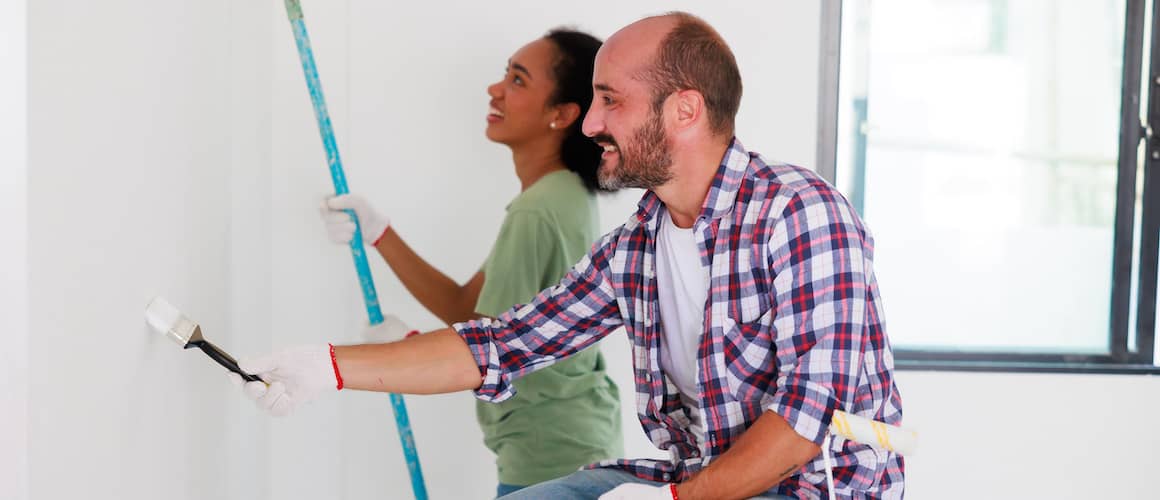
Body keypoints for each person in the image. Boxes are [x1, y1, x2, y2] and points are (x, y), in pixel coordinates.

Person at [234, 12, 904, 499]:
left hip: (812, 490)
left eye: (610, 101)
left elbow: (805, 418)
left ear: (685, 110)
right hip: (694, 478)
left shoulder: (801, 214)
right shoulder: (635, 250)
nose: (589, 124)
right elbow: (500, 340)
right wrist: (325, 367)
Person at [315, 28, 624, 496]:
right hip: (569, 447)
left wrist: (409, 344)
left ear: (561, 114)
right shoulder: (560, 195)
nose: (494, 89)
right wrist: (379, 233)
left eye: (518, 81)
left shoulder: (538, 209)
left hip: (551, 458)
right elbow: (470, 308)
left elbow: (485, 344)